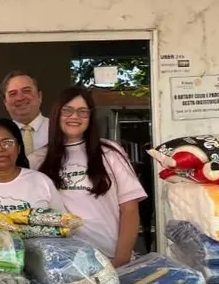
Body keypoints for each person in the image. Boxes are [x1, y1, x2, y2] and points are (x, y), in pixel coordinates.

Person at [38, 86, 147, 267]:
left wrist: (121, 259)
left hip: (112, 259)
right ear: (57, 114)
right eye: (67, 110)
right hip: (66, 265)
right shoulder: (39, 159)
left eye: (82, 111)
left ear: (90, 117)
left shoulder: (110, 152)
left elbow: (130, 209)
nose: (75, 116)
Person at [1, 71, 49, 163]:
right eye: (13, 93)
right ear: (5, 103)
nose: (20, 98)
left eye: (26, 91)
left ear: (40, 96)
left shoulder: (58, 130)